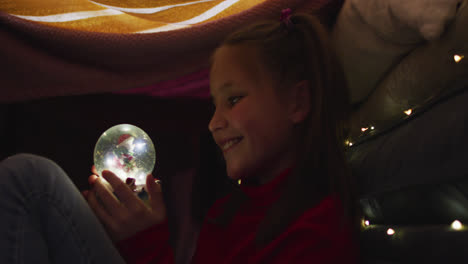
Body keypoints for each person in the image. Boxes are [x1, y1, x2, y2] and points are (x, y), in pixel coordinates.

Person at [0, 9, 359, 264]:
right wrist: (130, 237)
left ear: (297, 102)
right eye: (214, 104)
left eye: (233, 99)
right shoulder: (229, 212)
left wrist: (146, 241)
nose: (214, 122)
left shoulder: (316, 231)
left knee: (30, 181)